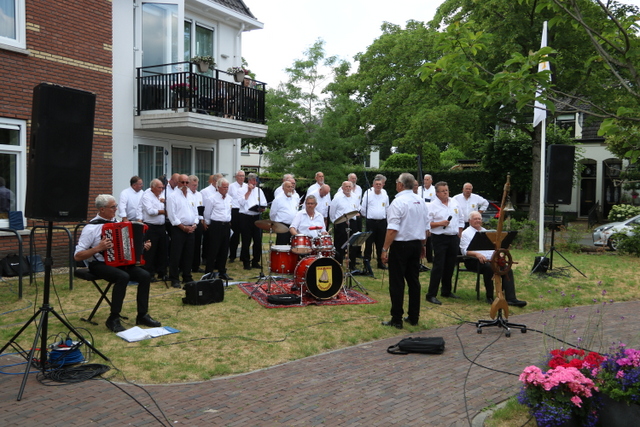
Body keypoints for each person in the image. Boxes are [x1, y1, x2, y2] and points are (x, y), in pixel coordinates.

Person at [74, 194, 160, 333]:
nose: (116, 209)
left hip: (119, 263)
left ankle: (142, 315)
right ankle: (113, 318)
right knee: (123, 277)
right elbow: (77, 256)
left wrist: (142, 246)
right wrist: (98, 248)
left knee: (144, 275)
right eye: (113, 207)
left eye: (115, 206)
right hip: (98, 264)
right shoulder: (90, 228)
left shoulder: (119, 225)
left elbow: (129, 246)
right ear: (102, 209)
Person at [380, 173, 429, 328]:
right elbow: (426, 228)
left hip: (401, 245)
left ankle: (397, 319)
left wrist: (384, 249)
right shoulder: (420, 201)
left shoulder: (397, 202)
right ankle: (414, 316)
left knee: (397, 282)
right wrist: (423, 245)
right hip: (416, 244)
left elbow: (392, 229)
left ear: (400, 185)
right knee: (414, 281)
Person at [460, 211, 527, 307]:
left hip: (491, 259)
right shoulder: (466, 233)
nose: (478, 221)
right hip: (473, 260)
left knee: (507, 270)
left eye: (479, 219)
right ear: (470, 220)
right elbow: (464, 251)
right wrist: (477, 254)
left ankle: (511, 299)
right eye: (475, 219)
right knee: (489, 268)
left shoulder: (486, 232)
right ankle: (490, 297)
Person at [425, 181, 464, 305]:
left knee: (450, 265)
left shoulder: (454, 202)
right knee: (439, 266)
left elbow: (461, 218)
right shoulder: (432, 206)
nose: (446, 193)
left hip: (453, 237)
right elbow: (427, 223)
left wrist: (460, 231)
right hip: (440, 238)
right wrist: (440, 223)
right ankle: (431, 294)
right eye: (443, 191)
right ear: (437, 193)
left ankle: (446, 290)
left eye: (447, 190)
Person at [166, 174, 198, 288]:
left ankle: (187, 276)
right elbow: (172, 216)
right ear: (177, 183)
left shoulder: (191, 196)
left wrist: (194, 224)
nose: (184, 185)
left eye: (186, 182)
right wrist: (183, 227)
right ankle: (174, 278)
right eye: (182, 182)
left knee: (189, 254)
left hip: (191, 228)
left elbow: (195, 212)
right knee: (176, 254)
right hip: (178, 229)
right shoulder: (172, 196)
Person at [137, 178, 168, 282]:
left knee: (162, 250)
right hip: (151, 226)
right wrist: (163, 211)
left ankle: (162, 272)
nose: (161, 189)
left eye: (162, 187)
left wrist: (166, 204)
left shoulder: (163, 195)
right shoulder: (146, 196)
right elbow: (150, 211)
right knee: (150, 251)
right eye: (159, 187)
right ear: (153, 187)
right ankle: (149, 273)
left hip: (161, 226)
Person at [203, 178, 233, 280]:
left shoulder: (229, 198)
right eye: (224, 187)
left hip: (226, 225)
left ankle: (222, 271)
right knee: (213, 249)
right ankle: (209, 272)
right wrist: (208, 223)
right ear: (218, 187)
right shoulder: (212, 198)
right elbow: (207, 213)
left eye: (227, 187)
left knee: (224, 249)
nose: (226, 189)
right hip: (216, 225)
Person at [360, 176, 389, 273]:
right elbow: (363, 208)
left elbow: (387, 208)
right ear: (373, 185)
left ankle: (380, 263)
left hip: (382, 222)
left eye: (380, 184)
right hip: (371, 222)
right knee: (369, 243)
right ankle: (366, 263)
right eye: (376, 184)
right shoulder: (368, 194)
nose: (378, 186)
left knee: (380, 243)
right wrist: (368, 217)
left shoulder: (385, 194)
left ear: (382, 185)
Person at [239, 173, 267, 270]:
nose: (254, 183)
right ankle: (246, 262)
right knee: (246, 240)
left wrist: (262, 209)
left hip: (256, 216)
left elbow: (264, 203)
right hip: (246, 217)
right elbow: (241, 203)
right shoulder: (242, 189)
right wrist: (248, 191)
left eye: (256, 181)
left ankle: (256, 261)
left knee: (257, 240)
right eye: (252, 181)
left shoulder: (259, 191)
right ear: (249, 181)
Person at [330, 181, 360, 271]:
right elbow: (332, 212)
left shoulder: (355, 197)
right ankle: (338, 264)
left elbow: (357, 208)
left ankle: (352, 265)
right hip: (341, 223)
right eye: (346, 186)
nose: (348, 188)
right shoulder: (337, 198)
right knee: (339, 245)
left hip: (352, 222)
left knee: (353, 244)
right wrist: (335, 222)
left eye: (349, 186)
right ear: (342, 188)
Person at [269, 180, 299, 245]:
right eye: (288, 187)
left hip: (293, 226)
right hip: (282, 226)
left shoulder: (295, 198)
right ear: (283, 188)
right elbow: (272, 214)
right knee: (282, 245)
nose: (290, 189)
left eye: (291, 187)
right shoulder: (278, 199)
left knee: (293, 245)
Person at [188, 175, 205, 273]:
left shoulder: (199, 194)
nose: (195, 187)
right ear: (189, 184)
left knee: (198, 244)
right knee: (190, 245)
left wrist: (202, 219)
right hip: (190, 222)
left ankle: (196, 265)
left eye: (196, 185)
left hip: (198, 221)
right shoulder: (187, 194)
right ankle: (187, 265)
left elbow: (201, 208)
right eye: (193, 185)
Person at [228, 170, 246, 262]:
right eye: (240, 176)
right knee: (235, 235)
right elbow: (228, 198)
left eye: (243, 176)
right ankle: (232, 256)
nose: (241, 178)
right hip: (235, 210)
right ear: (236, 177)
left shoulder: (247, 186)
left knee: (245, 234)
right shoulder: (231, 186)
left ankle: (243, 256)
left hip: (244, 211)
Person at [419, 174, 435, 265]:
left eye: (428, 179)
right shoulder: (419, 190)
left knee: (429, 237)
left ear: (431, 181)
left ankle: (429, 256)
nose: (426, 181)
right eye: (424, 179)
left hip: (429, 215)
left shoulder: (434, 190)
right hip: (420, 214)